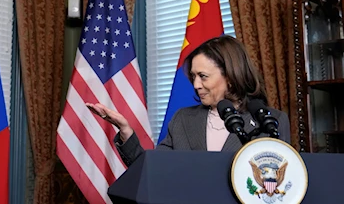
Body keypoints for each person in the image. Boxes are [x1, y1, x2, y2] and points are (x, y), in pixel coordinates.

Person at [87, 35, 290, 167]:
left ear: (230, 75)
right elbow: (153, 171)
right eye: (193, 77)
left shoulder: (271, 121)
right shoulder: (183, 119)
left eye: (203, 76)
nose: (196, 85)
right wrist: (126, 132)